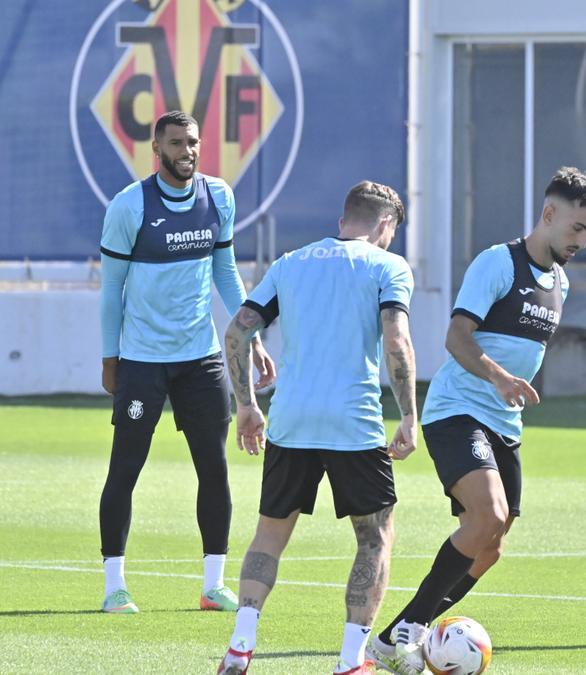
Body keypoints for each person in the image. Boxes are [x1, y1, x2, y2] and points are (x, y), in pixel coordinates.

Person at [368, 168, 586, 675]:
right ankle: (403, 634)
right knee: (489, 517)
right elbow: (457, 337)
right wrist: (501, 377)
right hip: (458, 412)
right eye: (576, 228)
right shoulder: (498, 263)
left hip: (505, 423)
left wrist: (509, 386)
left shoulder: (560, 282)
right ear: (549, 214)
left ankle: (406, 637)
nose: (582, 241)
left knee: (491, 546)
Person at [215, 181, 417, 675]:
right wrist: (410, 414)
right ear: (386, 224)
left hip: (291, 419)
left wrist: (246, 405)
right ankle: (350, 661)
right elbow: (396, 340)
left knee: (268, 536)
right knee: (374, 538)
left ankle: (241, 645)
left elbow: (238, 330)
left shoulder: (291, 263)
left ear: (344, 216)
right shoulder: (388, 266)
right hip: (354, 423)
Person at [98, 111, 275, 614]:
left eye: (193, 142)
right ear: (157, 149)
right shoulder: (129, 207)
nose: (187, 151)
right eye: (176, 143)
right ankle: (115, 586)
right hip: (141, 360)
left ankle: (212, 585)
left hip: (200, 359)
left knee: (213, 468)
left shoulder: (219, 196)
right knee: (125, 467)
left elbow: (225, 267)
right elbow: (111, 290)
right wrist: (110, 357)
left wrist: (250, 334)